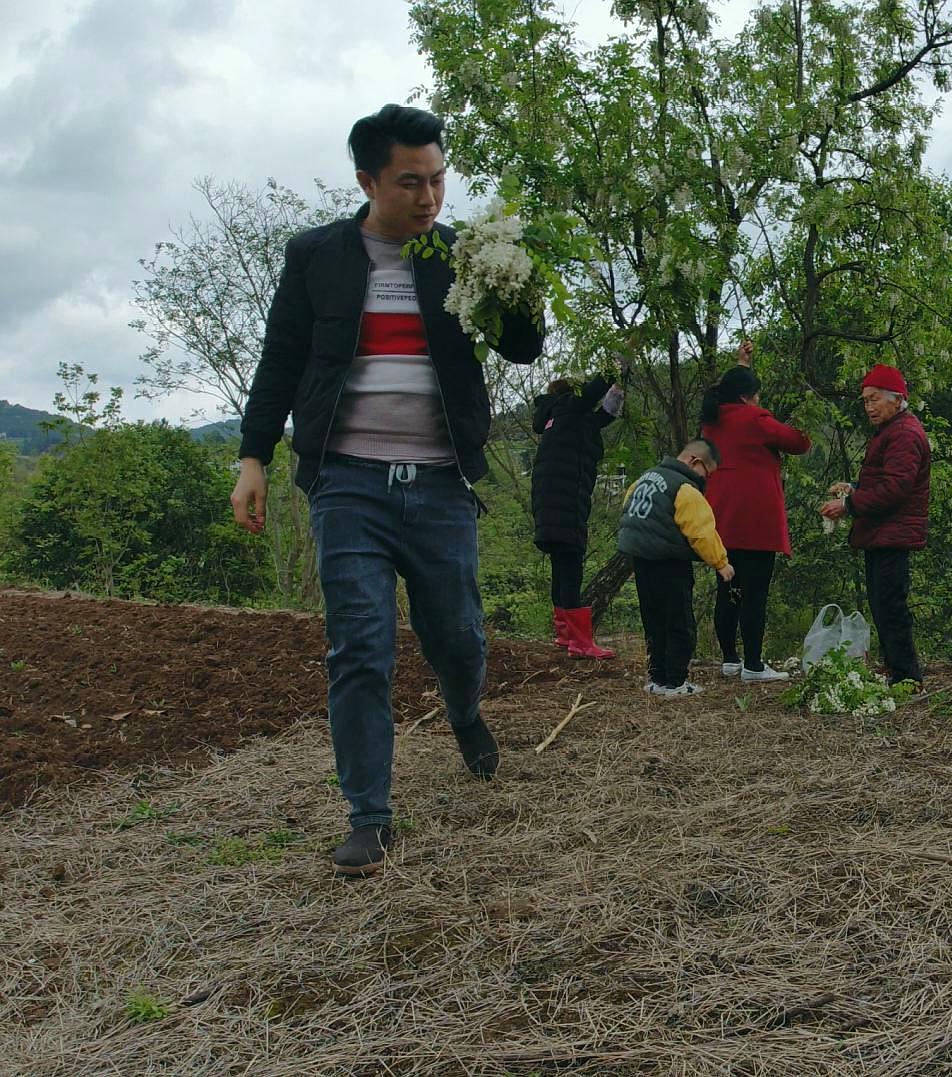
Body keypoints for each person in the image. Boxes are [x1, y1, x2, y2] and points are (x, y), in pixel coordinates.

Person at [229, 104, 544, 877]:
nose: (430, 197)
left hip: (440, 483)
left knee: (458, 638)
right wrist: (253, 456)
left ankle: (464, 711)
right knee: (360, 646)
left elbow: (526, 346)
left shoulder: (463, 255)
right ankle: (368, 815)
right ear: (368, 179)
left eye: (438, 179)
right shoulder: (317, 256)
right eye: (411, 182)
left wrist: (513, 278)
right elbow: (281, 359)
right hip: (347, 483)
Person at [699, 340, 812, 682]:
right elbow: (798, 442)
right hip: (756, 520)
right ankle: (754, 665)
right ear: (749, 397)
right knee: (756, 593)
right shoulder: (755, 418)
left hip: (722, 517)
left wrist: (742, 365)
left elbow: (731, 390)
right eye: (757, 394)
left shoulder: (712, 421)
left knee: (728, 589)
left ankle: (731, 659)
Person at [819, 364, 928, 686]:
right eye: (865, 401)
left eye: (875, 399)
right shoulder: (892, 431)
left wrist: (849, 505)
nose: (869, 407)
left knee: (891, 605)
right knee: (881, 603)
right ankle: (894, 666)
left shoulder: (905, 434)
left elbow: (896, 488)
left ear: (897, 399)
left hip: (893, 533)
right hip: (882, 532)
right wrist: (853, 489)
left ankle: (907, 675)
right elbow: (886, 481)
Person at [617, 439, 736, 696]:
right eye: (707, 473)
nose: (706, 479)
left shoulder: (646, 478)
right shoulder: (685, 489)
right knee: (679, 621)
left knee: (653, 619)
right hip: (670, 563)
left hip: (641, 560)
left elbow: (627, 508)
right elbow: (701, 532)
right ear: (695, 462)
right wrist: (721, 563)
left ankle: (657, 679)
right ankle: (676, 682)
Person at [531, 372, 625, 659]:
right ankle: (580, 643)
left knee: (562, 565)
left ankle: (565, 635)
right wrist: (618, 363)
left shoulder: (561, 418)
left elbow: (602, 417)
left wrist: (617, 391)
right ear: (572, 393)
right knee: (570, 566)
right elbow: (591, 396)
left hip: (551, 501)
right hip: (566, 501)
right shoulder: (570, 408)